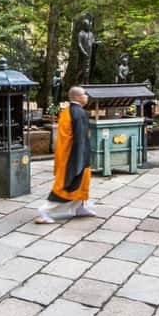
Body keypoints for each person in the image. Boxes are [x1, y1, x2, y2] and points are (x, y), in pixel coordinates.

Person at [35, 87, 95, 224]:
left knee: (81, 183)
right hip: (73, 156)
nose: (86, 96)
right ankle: (44, 211)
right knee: (68, 185)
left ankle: (79, 207)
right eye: (84, 94)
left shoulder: (68, 111)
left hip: (68, 154)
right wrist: (79, 161)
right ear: (77, 97)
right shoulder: (78, 113)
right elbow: (79, 139)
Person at [77, 16, 95, 84]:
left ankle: (86, 81)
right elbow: (79, 44)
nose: (89, 27)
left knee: (88, 68)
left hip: (89, 53)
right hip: (83, 54)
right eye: (87, 25)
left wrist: (96, 43)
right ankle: (80, 81)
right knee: (82, 68)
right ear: (84, 25)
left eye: (89, 26)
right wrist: (83, 51)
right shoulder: (81, 33)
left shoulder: (90, 34)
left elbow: (92, 42)